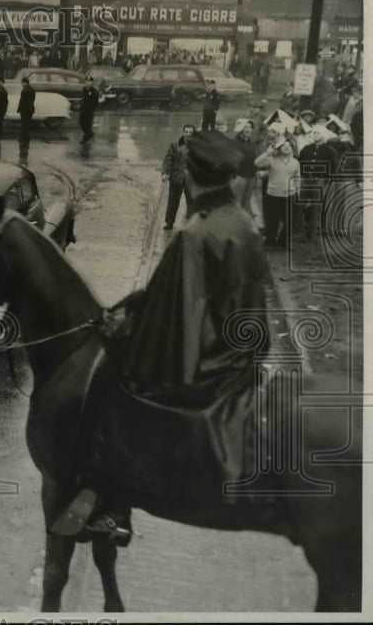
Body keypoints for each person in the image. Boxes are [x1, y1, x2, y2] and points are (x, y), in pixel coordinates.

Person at [54, 130, 269, 543]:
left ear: (189, 173)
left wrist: (122, 330)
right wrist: (137, 302)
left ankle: (110, 506)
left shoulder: (197, 232)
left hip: (211, 357)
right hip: (245, 348)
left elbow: (174, 318)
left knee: (115, 386)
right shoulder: (239, 221)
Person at [255, 135, 301, 249]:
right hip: (273, 195)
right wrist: (269, 152)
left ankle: (284, 242)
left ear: (292, 148)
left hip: (289, 195)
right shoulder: (271, 160)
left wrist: (298, 193)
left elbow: (297, 178)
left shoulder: (295, 162)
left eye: (289, 145)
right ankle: (270, 243)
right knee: (272, 222)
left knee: (289, 221)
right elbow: (257, 163)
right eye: (283, 145)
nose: (286, 147)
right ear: (279, 148)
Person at [161, 124, 195, 231]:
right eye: (186, 132)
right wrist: (165, 172)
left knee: (192, 203)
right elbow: (168, 159)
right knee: (173, 202)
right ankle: (169, 223)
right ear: (183, 132)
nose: (188, 134)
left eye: (190, 132)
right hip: (177, 177)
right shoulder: (175, 146)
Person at [16, 76, 36, 163]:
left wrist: (18, 109)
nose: (22, 84)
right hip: (30, 109)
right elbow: (33, 100)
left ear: (25, 82)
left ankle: (24, 138)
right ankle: (26, 137)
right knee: (27, 124)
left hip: (24, 110)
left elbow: (22, 101)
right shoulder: (32, 89)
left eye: (22, 83)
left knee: (24, 124)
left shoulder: (24, 90)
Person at [78, 75, 100, 144]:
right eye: (87, 81)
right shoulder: (84, 89)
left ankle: (85, 138)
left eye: (90, 82)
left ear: (92, 83)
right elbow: (82, 99)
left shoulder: (94, 91)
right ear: (85, 82)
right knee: (81, 123)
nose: (88, 83)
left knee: (88, 125)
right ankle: (90, 134)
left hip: (89, 111)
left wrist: (92, 109)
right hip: (83, 110)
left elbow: (96, 102)